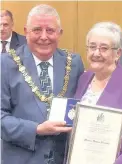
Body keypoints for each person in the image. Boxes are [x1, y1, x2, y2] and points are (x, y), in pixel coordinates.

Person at [1, 4, 84, 164]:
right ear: (26, 32)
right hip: (22, 158)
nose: (44, 36)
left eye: (50, 30)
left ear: (60, 33)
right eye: (37, 30)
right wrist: (36, 129)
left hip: (64, 158)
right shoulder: (5, 63)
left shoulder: (74, 63)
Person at [74, 22, 122, 164]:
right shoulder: (84, 78)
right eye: (92, 47)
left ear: (118, 53)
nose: (96, 53)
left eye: (104, 48)